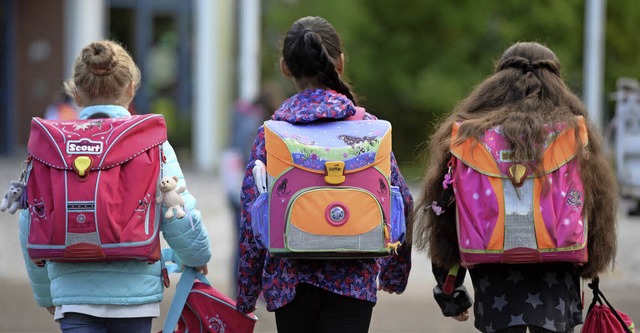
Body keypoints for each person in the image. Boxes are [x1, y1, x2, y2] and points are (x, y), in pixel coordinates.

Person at [413, 42, 618, 333]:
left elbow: (447, 216)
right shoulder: (572, 135)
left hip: (495, 288)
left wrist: (451, 290)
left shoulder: (470, 136)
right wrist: (591, 265)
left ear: (498, 82)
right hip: (555, 285)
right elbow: (593, 210)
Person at [18, 40, 212, 332]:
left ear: (77, 92)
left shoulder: (52, 148)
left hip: (73, 296)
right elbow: (176, 212)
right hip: (134, 296)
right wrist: (197, 256)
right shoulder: (151, 143)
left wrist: (46, 294)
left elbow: (31, 222)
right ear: (131, 88)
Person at [235, 16, 414, 333]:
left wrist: (247, 293)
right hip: (354, 281)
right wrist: (393, 274)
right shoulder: (368, 129)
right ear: (341, 62)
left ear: (285, 68)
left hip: (288, 282)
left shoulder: (273, 135)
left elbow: (252, 215)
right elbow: (401, 199)